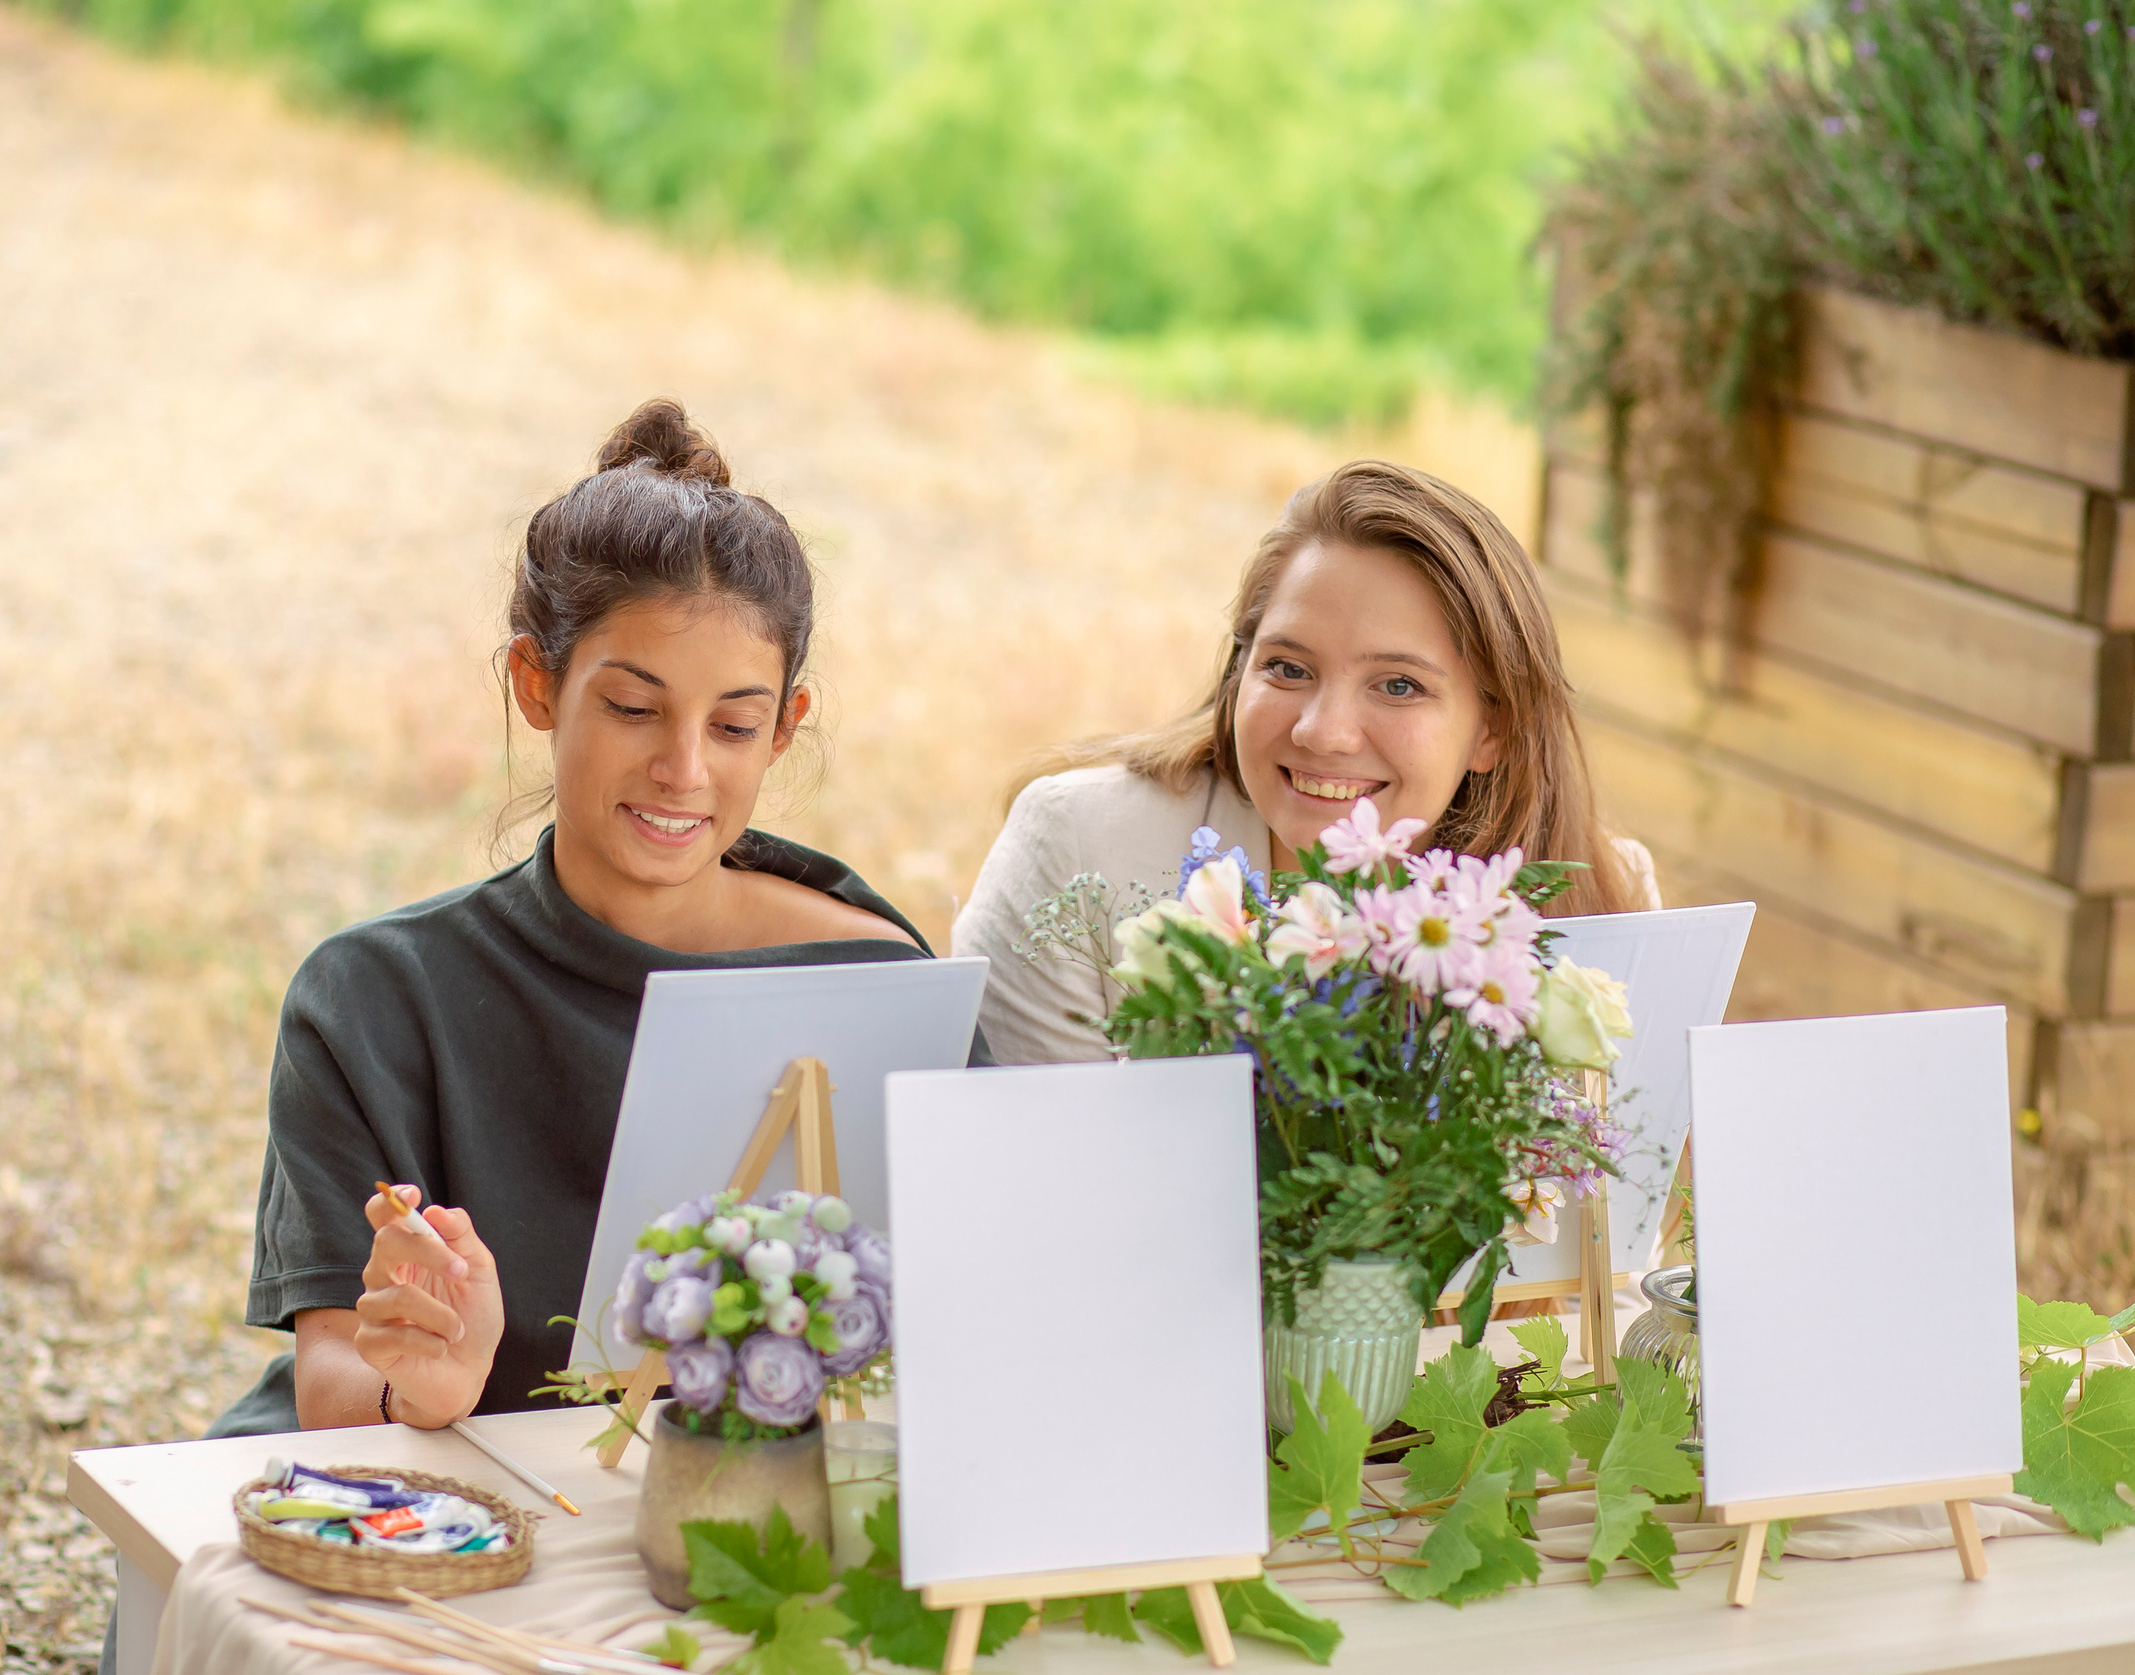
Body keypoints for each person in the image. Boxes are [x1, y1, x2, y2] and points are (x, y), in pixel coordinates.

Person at [210, 399, 950, 1441]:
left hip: (740, 1509)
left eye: (733, 724)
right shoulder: (375, 1001)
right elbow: (334, 1372)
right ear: (537, 683)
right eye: (634, 709)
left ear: (784, 729)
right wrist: (430, 1382)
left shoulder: (872, 985)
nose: (683, 770)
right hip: (427, 1497)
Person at [953, 458, 1661, 1065]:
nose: (1324, 732)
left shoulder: (1602, 899)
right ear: (1240, 670)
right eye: (1289, 668)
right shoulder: (1080, 847)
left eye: (1398, 685)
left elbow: (1613, 1219)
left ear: (1492, 730)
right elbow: (1028, 1192)